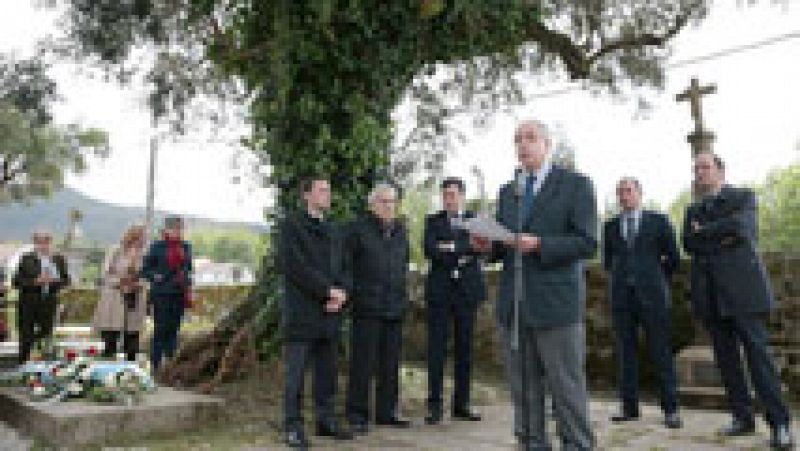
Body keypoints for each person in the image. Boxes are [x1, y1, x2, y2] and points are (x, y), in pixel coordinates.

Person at [472, 119, 597, 450]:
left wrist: (540, 244)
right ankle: (532, 443)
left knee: (565, 386)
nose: (523, 145)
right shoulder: (508, 191)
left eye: (530, 138)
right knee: (523, 388)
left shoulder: (575, 185)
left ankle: (577, 444)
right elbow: (505, 244)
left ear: (547, 144)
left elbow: (586, 243)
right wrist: (488, 245)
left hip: (556, 305)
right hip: (515, 305)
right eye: (518, 140)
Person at [683, 152, 794, 449]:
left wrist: (706, 232)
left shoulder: (743, 197)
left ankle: (780, 424)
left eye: (705, 167)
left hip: (744, 292)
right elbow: (688, 243)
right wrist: (720, 233)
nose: (700, 173)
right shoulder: (693, 210)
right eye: (696, 169)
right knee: (727, 361)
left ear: (720, 170)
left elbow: (743, 230)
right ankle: (742, 418)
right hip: (710, 295)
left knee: (759, 360)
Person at [602, 177, 682, 429]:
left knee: (661, 352)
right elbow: (607, 262)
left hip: (653, 297)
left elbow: (674, 259)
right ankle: (629, 408)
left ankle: (671, 410)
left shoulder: (659, 221)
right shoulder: (610, 226)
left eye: (628, 191)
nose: (624, 196)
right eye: (620, 192)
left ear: (639, 193)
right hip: (622, 299)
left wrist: (655, 278)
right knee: (626, 354)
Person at [279, 176, 353, 448]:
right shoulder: (292, 226)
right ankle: (292, 425)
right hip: (302, 311)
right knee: (296, 374)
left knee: (327, 372)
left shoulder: (335, 230)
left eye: (329, 190)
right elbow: (294, 267)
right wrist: (327, 291)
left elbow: (345, 266)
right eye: (322, 190)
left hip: (331, 312)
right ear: (306, 195)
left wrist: (342, 293)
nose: (327, 195)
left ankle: (326, 420)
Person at [345, 183, 411, 434]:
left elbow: (403, 264)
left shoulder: (400, 232)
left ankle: (387, 411)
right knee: (363, 364)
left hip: (394, 306)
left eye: (393, 201)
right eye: (384, 201)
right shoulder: (357, 230)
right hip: (366, 307)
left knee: (390, 364)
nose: (389, 206)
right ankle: (357, 414)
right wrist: (354, 294)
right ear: (372, 204)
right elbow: (347, 267)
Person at [423, 177, 487, 424]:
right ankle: (435, 406)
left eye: (453, 194)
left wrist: (450, 247)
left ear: (462, 195)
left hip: (467, 292)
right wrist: (463, 248)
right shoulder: (432, 221)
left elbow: (481, 248)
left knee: (465, 350)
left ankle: (462, 404)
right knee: (436, 349)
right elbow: (430, 250)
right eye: (445, 194)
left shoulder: (476, 221)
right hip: (440, 292)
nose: (448, 198)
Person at [141, 216, 192, 372]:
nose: (178, 231)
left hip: (179, 293)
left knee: (174, 329)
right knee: (160, 329)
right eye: (175, 228)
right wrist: (155, 276)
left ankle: (170, 366)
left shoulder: (186, 246)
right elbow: (145, 270)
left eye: (180, 228)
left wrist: (188, 287)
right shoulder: (157, 246)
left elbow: (189, 269)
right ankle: (155, 366)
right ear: (167, 229)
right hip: (161, 293)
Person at [12, 230, 70, 363]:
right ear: (34, 243)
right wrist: (35, 281)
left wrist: (55, 281)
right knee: (25, 332)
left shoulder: (58, 259)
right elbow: (16, 282)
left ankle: (36, 355)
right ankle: (23, 361)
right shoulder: (26, 258)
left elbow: (66, 280)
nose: (43, 245)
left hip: (49, 301)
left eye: (46, 241)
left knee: (46, 330)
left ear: (50, 242)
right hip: (28, 301)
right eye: (39, 241)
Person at [93, 224, 147, 361]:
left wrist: (137, 284)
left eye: (142, 236)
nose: (140, 238)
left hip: (135, 298)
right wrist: (120, 282)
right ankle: (107, 368)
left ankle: (130, 371)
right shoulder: (116, 251)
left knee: (132, 339)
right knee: (111, 337)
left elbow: (147, 276)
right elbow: (105, 274)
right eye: (137, 235)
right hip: (114, 297)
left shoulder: (145, 254)